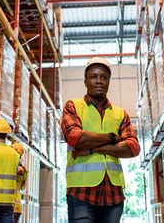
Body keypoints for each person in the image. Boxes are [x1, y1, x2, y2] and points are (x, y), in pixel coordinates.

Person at [61, 57, 140, 223]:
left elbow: (133, 148)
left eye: (104, 77)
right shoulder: (73, 106)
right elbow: (75, 138)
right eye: (93, 76)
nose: (99, 81)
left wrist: (93, 149)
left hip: (113, 195)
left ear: (109, 81)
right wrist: (112, 138)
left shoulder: (120, 114)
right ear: (85, 81)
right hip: (81, 192)